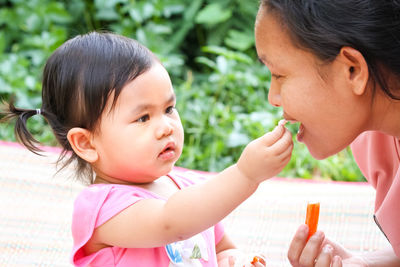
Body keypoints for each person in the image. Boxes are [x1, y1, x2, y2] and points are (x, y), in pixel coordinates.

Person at [0, 31, 293, 266]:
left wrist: (234, 259)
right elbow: (171, 223)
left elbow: (220, 248)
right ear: (87, 144)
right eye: (143, 117)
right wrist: (245, 175)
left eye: (168, 108)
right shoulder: (101, 209)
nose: (165, 126)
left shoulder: (186, 188)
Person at [254, 0, 400, 266]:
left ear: (352, 70)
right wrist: (364, 263)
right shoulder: (373, 139)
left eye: (278, 75)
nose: (272, 97)